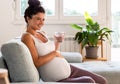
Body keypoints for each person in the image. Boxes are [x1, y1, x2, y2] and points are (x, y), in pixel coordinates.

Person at [21, 0, 107, 83]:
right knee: (89, 81)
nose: (42, 23)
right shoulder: (27, 37)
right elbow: (37, 62)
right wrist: (55, 53)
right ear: (28, 18)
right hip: (55, 76)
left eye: (43, 19)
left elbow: (52, 51)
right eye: (38, 19)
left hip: (67, 68)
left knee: (102, 80)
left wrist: (57, 42)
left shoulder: (41, 33)